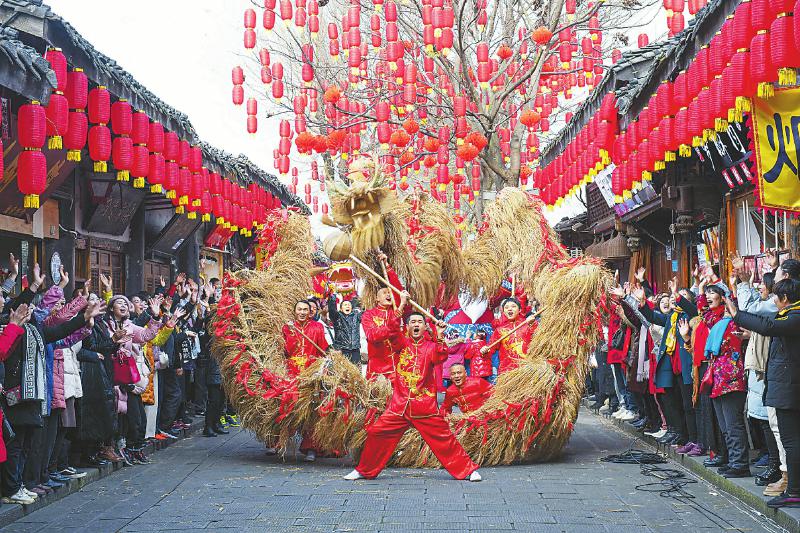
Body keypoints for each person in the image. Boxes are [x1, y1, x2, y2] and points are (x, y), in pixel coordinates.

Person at [344, 308, 482, 482]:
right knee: (377, 432)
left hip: (424, 406)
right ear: (407, 327)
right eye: (413, 322)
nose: (416, 325)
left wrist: (439, 335)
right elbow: (392, 331)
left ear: (425, 327)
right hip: (399, 406)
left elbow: (441, 356)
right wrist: (400, 308)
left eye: (420, 322)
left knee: (444, 438)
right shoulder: (401, 344)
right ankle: (364, 470)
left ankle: (468, 470)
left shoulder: (431, 347)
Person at [730, 277, 800, 508]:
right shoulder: (789, 316)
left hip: (789, 389)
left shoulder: (795, 317)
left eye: (774, 297)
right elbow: (767, 321)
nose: (773, 301)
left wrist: (737, 314)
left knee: (791, 442)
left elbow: (768, 326)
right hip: (786, 388)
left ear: (785, 299)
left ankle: (794, 491)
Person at [282, 300, 329, 461]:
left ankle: (311, 448)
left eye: (305, 310)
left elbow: (322, 351)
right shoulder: (287, 328)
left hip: (311, 373)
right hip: (291, 373)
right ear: (294, 311)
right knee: (286, 406)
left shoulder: (317, 327)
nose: (302, 312)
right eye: (299, 309)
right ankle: (277, 443)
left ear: (311, 312)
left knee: (312, 410)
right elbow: (284, 352)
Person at [362, 280, 406, 380]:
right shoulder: (368, 315)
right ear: (377, 298)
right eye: (385, 292)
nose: (388, 295)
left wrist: (402, 303)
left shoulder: (396, 311)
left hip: (397, 364)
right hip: (377, 367)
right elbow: (372, 336)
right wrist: (394, 321)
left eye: (390, 292)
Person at [481, 298, 536, 374]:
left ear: (519, 310)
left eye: (513, 306)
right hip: (507, 371)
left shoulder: (527, 324)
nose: (510, 309)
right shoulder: (499, 330)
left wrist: (533, 324)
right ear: (503, 312)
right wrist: (485, 351)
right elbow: (490, 349)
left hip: (528, 369)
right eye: (506, 307)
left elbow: (539, 340)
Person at [327, 295, 363, 366]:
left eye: (349, 305)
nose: (347, 306)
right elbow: (332, 310)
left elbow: (368, 314)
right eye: (345, 305)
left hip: (355, 349)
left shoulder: (357, 316)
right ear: (340, 309)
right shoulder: (337, 317)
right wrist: (332, 299)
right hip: (342, 349)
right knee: (343, 371)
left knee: (356, 372)